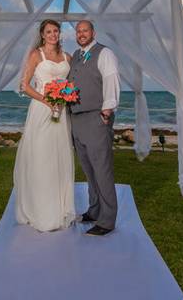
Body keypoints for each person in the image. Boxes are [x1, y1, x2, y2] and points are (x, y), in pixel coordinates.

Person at [13, 19, 76, 232]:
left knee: (60, 157)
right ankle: (41, 211)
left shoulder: (67, 57)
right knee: (42, 158)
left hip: (62, 112)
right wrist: (45, 100)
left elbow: (72, 84)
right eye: (48, 31)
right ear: (42, 34)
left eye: (56, 31)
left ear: (59, 33)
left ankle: (61, 209)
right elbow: (24, 85)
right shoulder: (35, 55)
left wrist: (67, 95)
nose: (53, 34)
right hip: (41, 110)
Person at [68, 19, 119, 236]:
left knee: (102, 169)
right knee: (88, 170)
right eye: (78, 31)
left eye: (85, 30)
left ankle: (107, 220)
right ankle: (95, 209)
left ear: (93, 32)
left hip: (97, 117)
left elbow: (111, 80)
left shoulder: (104, 53)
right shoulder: (77, 56)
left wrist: (107, 109)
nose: (81, 34)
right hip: (77, 119)